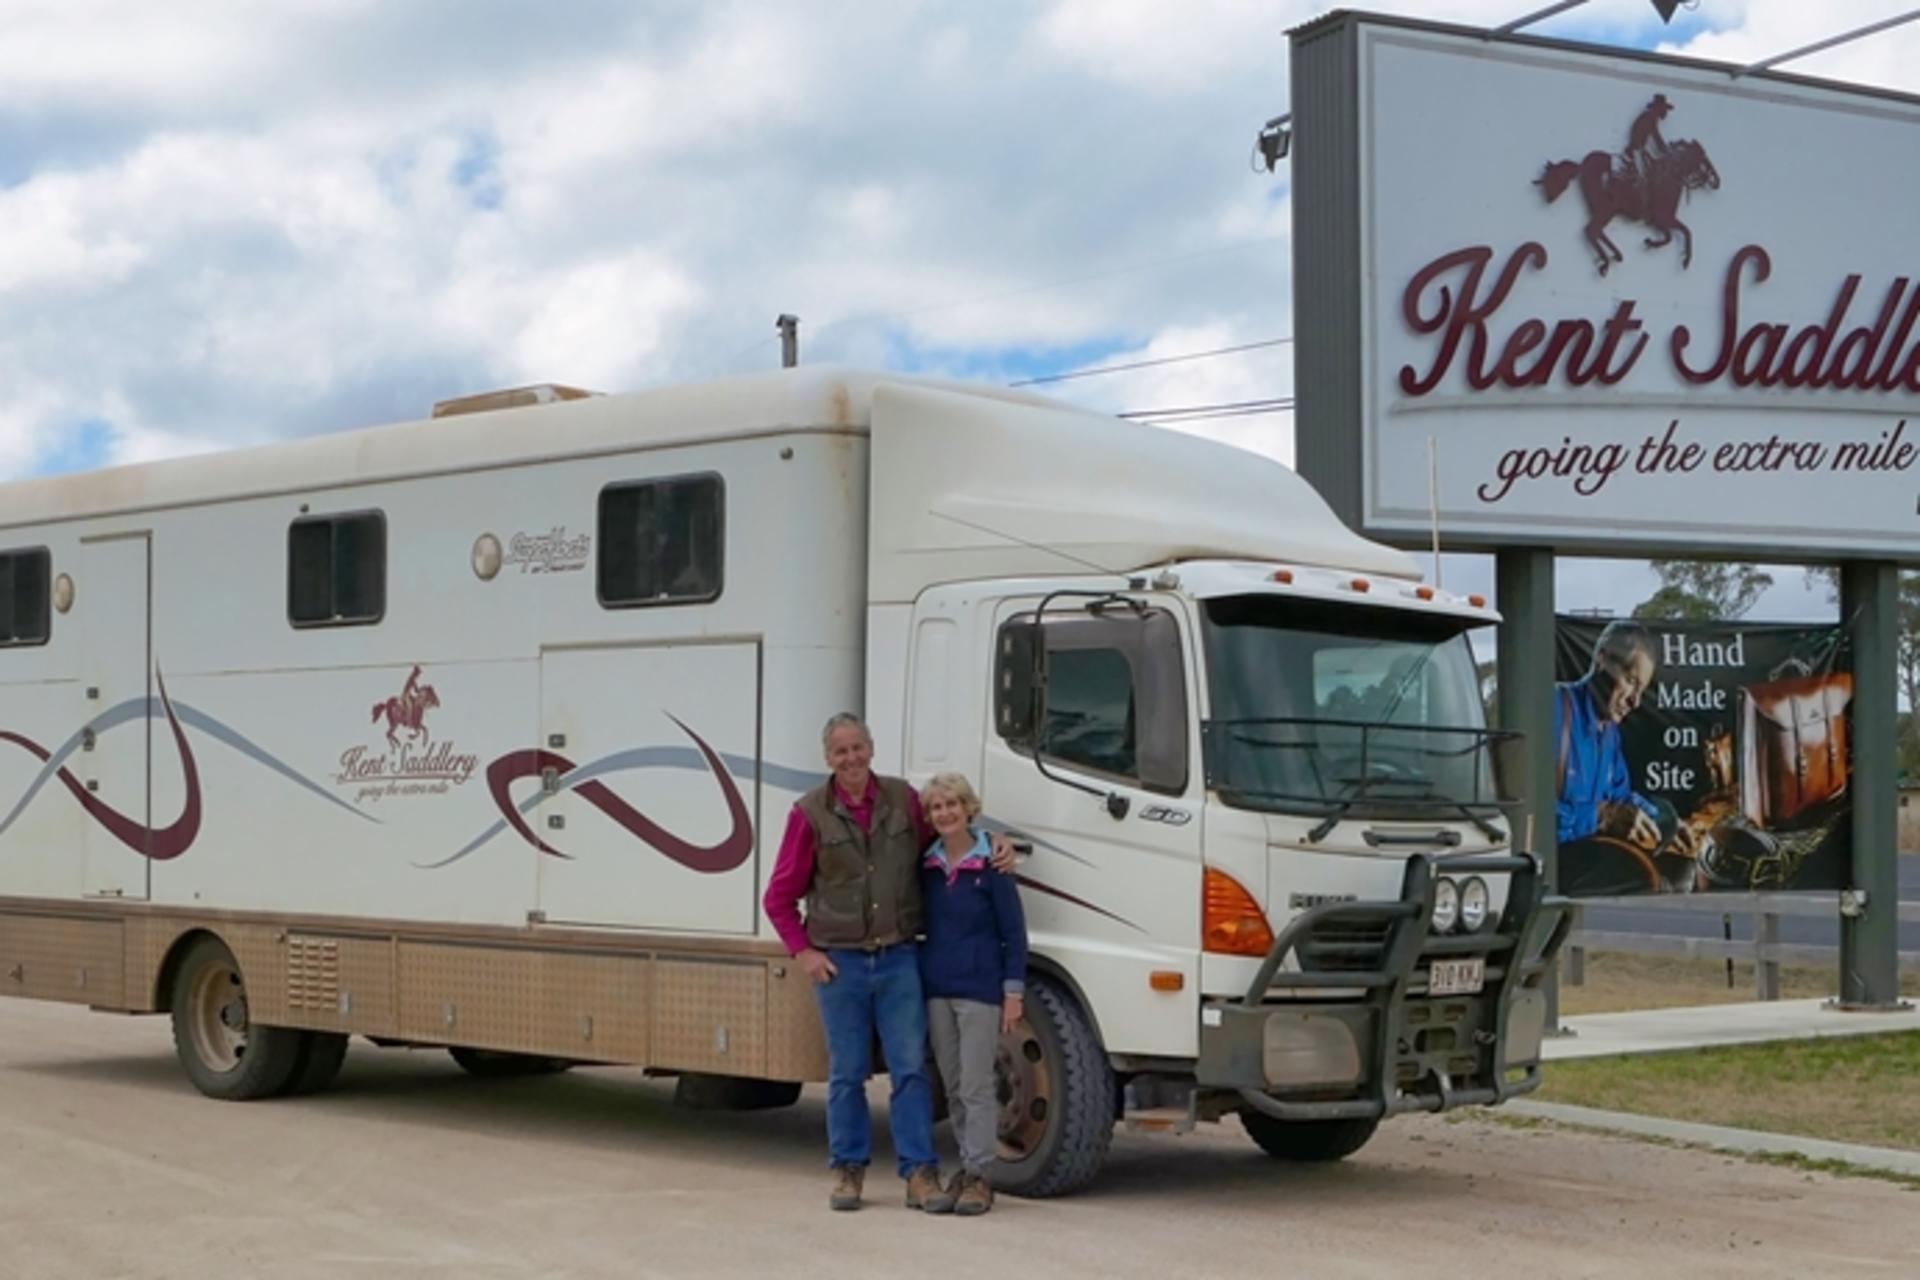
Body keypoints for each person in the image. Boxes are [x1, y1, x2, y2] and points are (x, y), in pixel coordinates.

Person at [761, 713, 1013, 1213]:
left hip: (899, 957)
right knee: (847, 1074)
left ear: (871, 749)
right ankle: (848, 1170)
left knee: (911, 1071)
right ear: (828, 759)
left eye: (858, 748)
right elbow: (778, 897)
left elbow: (951, 836)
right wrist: (805, 953)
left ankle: (919, 1174)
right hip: (842, 966)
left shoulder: (904, 802)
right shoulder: (808, 814)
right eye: (841, 752)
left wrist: (996, 846)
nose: (851, 758)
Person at [917, 771, 1027, 1218]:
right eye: (936, 807)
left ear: (968, 808)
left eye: (951, 805)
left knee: (980, 1084)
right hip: (937, 989)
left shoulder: (992, 866)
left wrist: (1013, 992)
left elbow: (1014, 933)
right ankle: (967, 1165)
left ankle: (981, 1174)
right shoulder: (926, 867)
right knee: (956, 1085)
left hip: (980, 990)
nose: (944, 813)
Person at [1554, 620, 1698, 895]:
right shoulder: (1552, 709)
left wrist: (1664, 822)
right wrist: (1599, 817)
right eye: (1631, 681)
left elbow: (1621, 798)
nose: (1635, 701)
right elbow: (1527, 812)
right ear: (1602, 659)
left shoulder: (1610, 734)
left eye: (1641, 690)